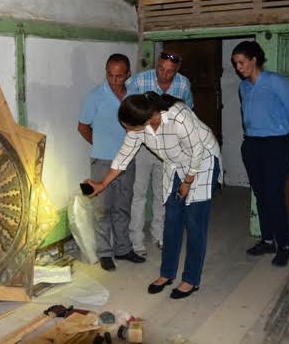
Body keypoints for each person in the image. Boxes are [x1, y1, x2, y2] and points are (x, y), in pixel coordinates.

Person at [87, 92, 221, 299]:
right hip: (175, 164)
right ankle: (167, 274)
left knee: (195, 222)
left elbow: (197, 150)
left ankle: (190, 279)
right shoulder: (138, 128)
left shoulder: (178, 117)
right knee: (172, 220)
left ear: (145, 119)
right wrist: (102, 184)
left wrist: (187, 182)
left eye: (129, 127)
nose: (127, 131)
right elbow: (123, 157)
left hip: (202, 162)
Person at [231, 40, 289, 267]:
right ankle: (268, 240)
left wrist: (280, 130)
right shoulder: (244, 87)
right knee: (260, 194)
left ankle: (284, 247)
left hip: (275, 145)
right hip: (252, 144)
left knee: (274, 196)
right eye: (235, 64)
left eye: (241, 62)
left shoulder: (275, 82)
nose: (238, 67)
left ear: (254, 60)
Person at [78, 53, 146, 271]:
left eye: (119, 76)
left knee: (123, 207)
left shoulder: (134, 96)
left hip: (127, 161)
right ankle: (105, 253)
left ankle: (123, 249)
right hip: (102, 161)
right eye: (109, 75)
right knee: (102, 209)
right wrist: (99, 145)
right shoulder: (95, 96)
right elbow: (82, 127)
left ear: (128, 75)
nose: (114, 80)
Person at [125, 51, 194, 256]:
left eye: (170, 72)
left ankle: (159, 234)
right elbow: (127, 109)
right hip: (143, 147)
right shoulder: (140, 80)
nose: (164, 75)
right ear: (156, 65)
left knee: (162, 193)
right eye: (161, 69)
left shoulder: (183, 84)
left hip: (167, 148)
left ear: (177, 70)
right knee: (139, 193)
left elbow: (188, 112)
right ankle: (136, 240)